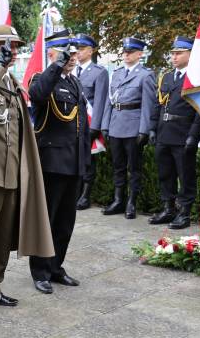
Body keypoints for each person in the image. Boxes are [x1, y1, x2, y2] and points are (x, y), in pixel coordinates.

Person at [0, 25, 54, 313]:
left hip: (12, 170)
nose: (11, 51)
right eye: (4, 46)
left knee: (3, 235)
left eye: (14, 47)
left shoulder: (14, 85)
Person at [28, 30, 90, 294]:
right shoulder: (43, 78)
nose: (73, 57)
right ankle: (40, 270)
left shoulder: (75, 83)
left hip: (72, 162)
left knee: (65, 222)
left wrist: (85, 162)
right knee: (48, 220)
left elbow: (81, 127)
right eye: (67, 52)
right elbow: (38, 95)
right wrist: (56, 66)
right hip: (52, 162)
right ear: (52, 53)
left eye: (74, 53)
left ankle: (56, 267)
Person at [148, 36, 200, 229]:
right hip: (164, 132)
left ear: (190, 54)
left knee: (185, 175)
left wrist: (194, 135)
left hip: (183, 133)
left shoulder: (196, 78)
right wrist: (152, 128)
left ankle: (185, 213)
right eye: (173, 53)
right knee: (166, 173)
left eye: (179, 53)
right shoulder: (167, 76)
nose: (174, 57)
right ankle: (168, 208)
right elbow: (159, 104)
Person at [101, 37, 157, 219]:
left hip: (133, 126)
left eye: (130, 52)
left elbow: (148, 105)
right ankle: (118, 200)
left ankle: (131, 202)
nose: (126, 54)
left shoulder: (145, 75)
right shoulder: (116, 73)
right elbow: (110, 102)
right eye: (124, 51)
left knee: (134, 167)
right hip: (116, 124)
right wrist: (105, 125)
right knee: (118, 166)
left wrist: (143, 130)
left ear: (140, 54)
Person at [72, 33, 110, 210]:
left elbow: (101, 100)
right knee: (74, 160)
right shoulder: (72, 70)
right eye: (76, 49)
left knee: (88, 161)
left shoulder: (99, 72)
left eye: (81, 49)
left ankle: (85, 196)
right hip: (72, 123)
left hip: (89, 123)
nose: (77, 53)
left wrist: (95, 127)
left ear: (90, 50)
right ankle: (75, 192)